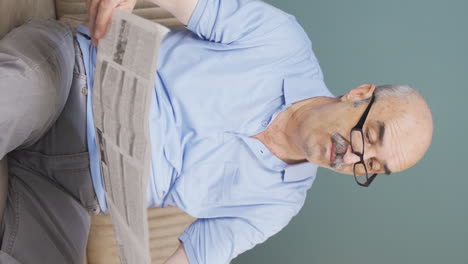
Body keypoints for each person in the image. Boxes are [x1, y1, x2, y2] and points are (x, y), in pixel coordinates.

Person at [0, 0, 433, 263]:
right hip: (71, 80)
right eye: (370, 135)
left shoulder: (280, 204)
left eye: (371, 165)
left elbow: (196, 257)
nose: (353, 156)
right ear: (359, 94)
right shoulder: (281, 42)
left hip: (74, 193)